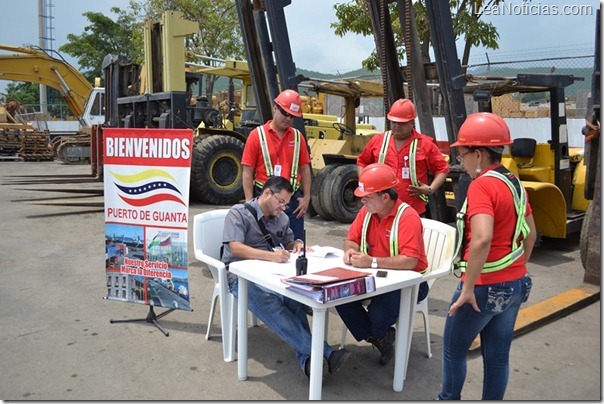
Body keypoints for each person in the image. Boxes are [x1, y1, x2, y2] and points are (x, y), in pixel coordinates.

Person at [438, 112, 537, 400]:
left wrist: (468, 288)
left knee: (453, 350)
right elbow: (530, 235)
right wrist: (516, 268)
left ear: (479, 154)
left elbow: (482, 237)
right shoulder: (515, 184)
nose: (461, 161)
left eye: (463, 154)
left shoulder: (481, 185)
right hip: (516, 283)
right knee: (497, 357)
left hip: (483, 286)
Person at [222, 176, 349, 378]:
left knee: (294, 300)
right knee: (273, 306)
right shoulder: (239, 213)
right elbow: (235, 248)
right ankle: (326, 353)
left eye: (286, 204)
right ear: (267, 193)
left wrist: (296, 244)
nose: (283, 208)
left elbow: (288, 241)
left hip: (271, 273)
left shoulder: (281, 217)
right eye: (280, 202)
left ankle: (308, 360)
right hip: (240, 276)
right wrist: (271, 256)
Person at [336, 163, 428, 366]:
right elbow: (350, 239)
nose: (362, 200)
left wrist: (372, 262)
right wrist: (349, 250)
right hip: (375, 279)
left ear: (385, 197)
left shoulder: (408, 217)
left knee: (379, 313)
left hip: (410, 283)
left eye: (367, 196)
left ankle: (379, 334)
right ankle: (381, 337)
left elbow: (411, 260)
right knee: (338, 296)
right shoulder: (367, 212)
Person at [356, 98, 450, 217]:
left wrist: (431, 189)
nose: (397, 126)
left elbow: (442, 169)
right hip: (381, 208)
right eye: (394, 122)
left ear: (412, 122)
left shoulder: (425, 144)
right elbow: (362, 162)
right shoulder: (377, 141)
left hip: (413, 209)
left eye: (402, 123)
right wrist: (365, 185)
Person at [241, 89, 312, 241]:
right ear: (275, 108)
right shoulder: (257, 136)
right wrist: (249, 203)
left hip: (292, 203)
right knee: (264, 245)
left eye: (292, 116)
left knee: (296, 246)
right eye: (285, 113)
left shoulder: (298, 138)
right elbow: (247, 171)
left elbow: (305, 168)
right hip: (265, 200)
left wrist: (306, 197)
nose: (288, 118)